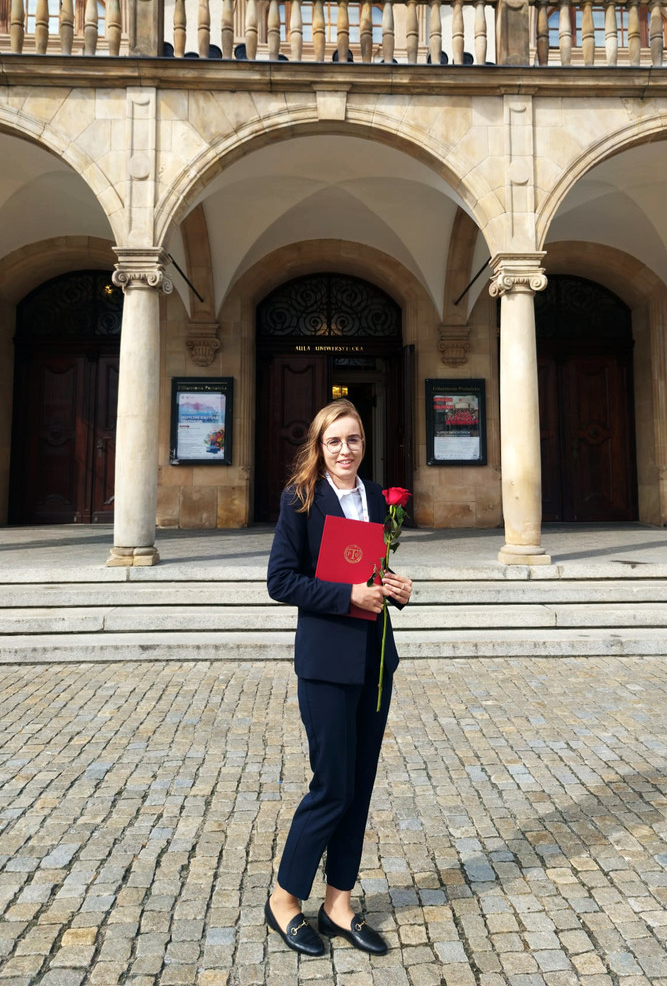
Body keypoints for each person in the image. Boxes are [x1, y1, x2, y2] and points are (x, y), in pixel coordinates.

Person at [265, 398, 413, 957]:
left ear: (363, 444)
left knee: (360, 784)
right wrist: (347, 595)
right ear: (319, 447)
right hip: (326, 662)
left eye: (353, 440)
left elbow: (370, 569)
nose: (344, 450)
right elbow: (281, 580)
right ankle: (284, 899)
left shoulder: (375, 497)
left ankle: (338, 904)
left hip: (374, 661)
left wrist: (394, 588)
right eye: (334, 441)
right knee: (332, 786)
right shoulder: (300, 499)